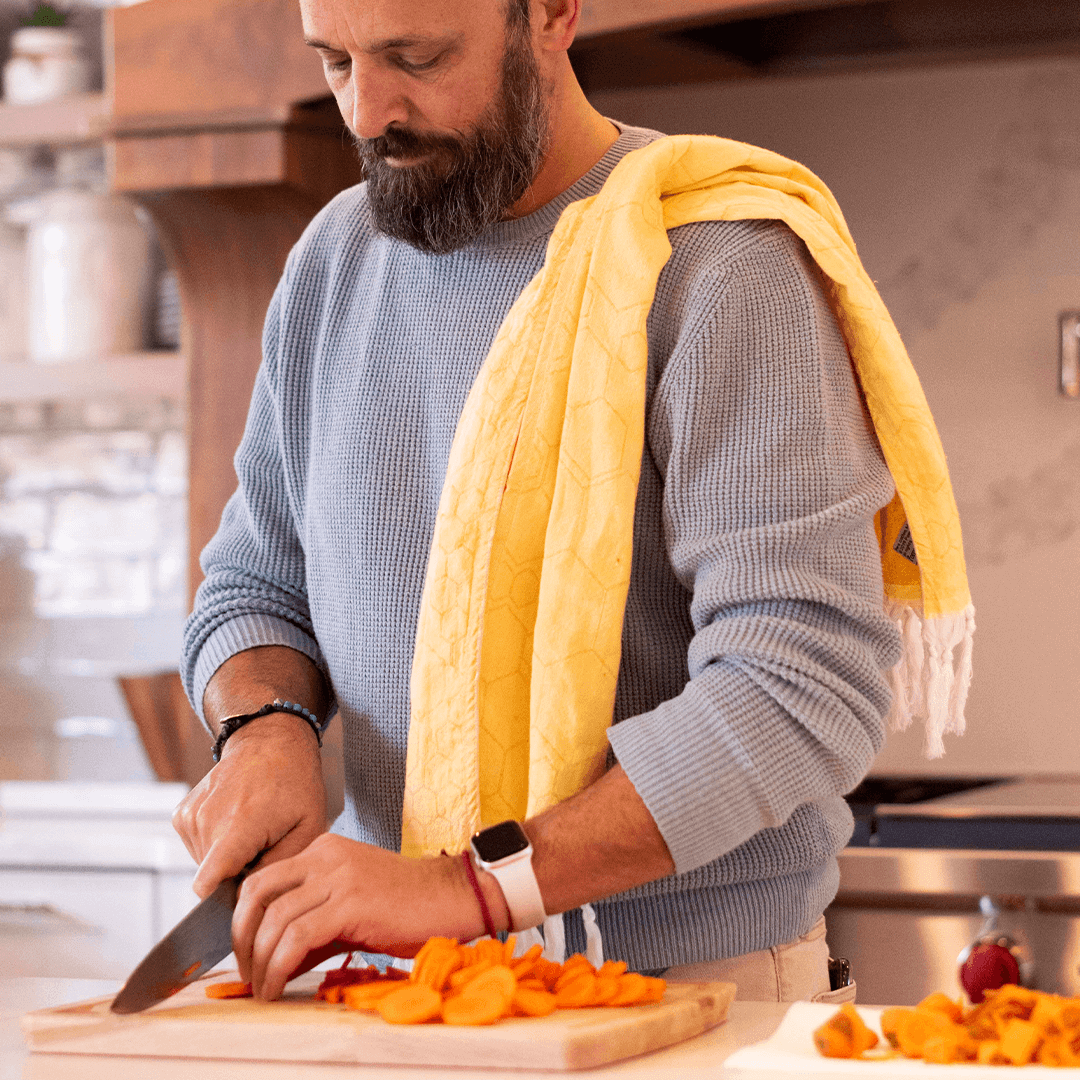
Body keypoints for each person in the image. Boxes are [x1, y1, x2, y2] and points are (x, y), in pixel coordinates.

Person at [175, 0, 904, 1003]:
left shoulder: (722, 266)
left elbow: (800, 686)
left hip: (691, 999)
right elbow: (255, 586)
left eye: (416, 56)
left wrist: (474, 889)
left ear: (554, 13)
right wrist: (265, 729)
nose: (370, 111)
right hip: (405, 988)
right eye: (335, 63)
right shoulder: (330, 265)